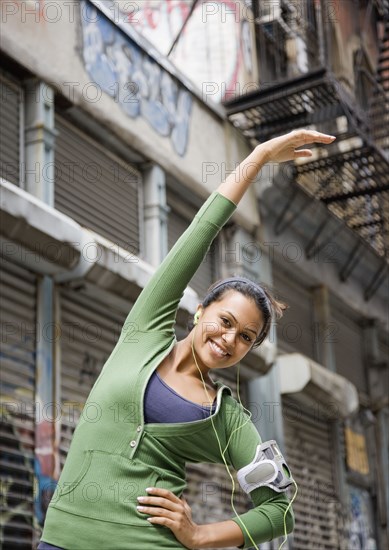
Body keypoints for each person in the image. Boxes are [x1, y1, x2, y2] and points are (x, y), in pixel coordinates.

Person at [38, 129, 335, 550]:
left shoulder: (227, 418)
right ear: (200, 311)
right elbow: (202, 230)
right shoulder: (144, 333)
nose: (229, 338)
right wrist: (260, 156)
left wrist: (199, 535)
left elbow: (279, 511)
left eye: (246, 337)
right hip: (62, 538)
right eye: (225, 320)